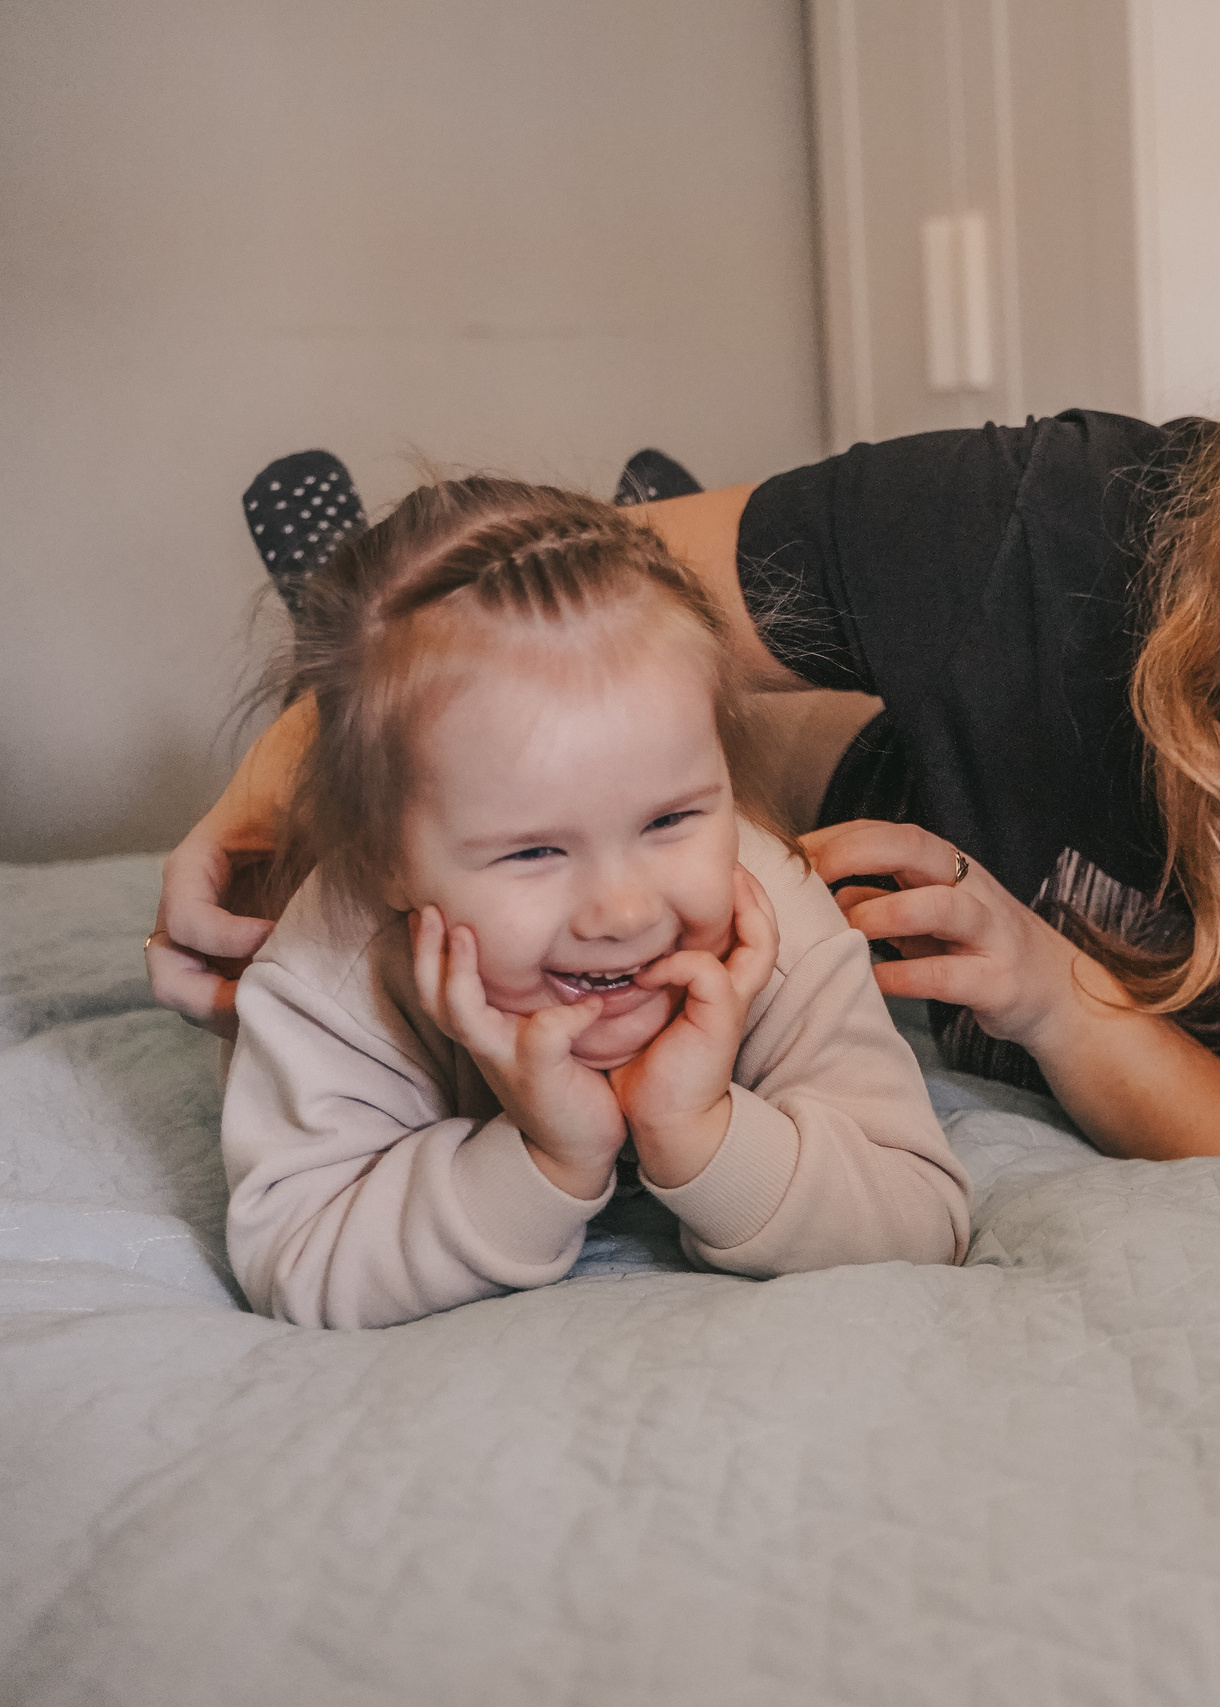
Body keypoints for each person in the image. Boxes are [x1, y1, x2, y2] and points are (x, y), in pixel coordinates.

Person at [155, 204, 1220, 1189]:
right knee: (632, 679)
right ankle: (351, 604)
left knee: (722, 743)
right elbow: (564, 584)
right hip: (861, 783)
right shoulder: (1050, 524)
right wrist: (299, 755)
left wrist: (1059, 998)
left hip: (939, 901)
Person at [218, 477, 969, 1329]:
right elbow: (302, 1259)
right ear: (387, 862)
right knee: (360, 708)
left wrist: (702, 1131)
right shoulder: (332, 964)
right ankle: (318, 598)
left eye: (671, 818)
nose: (621, 909)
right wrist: (544, 1157)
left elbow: (924, 1218)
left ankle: (653, 503)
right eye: (535, 849)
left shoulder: (774, 919)